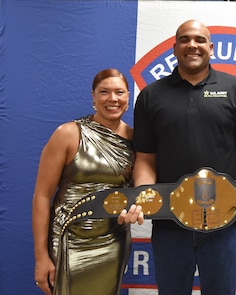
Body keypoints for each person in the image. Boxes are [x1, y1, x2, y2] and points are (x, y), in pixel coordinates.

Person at [119, 20, 236, 295]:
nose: (192, 45)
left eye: (200, 40)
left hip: (224, 223)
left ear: (211, 48)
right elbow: (145, 159)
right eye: (185, 39)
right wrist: (143, 195)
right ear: (174, 48)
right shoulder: (151, 96)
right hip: (169, 223)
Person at [32, 68, 134, 295]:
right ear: (93, 96)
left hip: (113, 243)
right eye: (104, 92)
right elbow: (41, 195)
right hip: (68, 241)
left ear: (128, 97)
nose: (112, 99)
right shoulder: (68, 133)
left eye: (119, 92)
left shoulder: (136, 140)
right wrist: (41, 258)